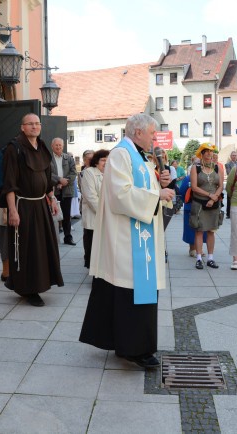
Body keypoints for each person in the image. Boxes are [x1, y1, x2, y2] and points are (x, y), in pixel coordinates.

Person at [79, 113, 175, 369]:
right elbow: (121, 194)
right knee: (129, 290)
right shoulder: (122, 154)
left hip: (139, 234)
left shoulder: (139, 155)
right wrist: (157, 196)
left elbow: (138, 186)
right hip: (127, 237)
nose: (155, 137)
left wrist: (158, 184)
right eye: (153, 132)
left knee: (135, 290)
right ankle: (134, 349)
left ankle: (130, 344)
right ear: (138, 132)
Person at [3, 113, 64, 306]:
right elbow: (9, 184)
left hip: (41, 205)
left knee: (42, 247)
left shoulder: (43, 147)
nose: (34, 127)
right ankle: (27, 289)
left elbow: (47, 178)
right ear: (22, 127)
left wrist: (52, 199)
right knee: (26, 248)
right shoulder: (14, 149)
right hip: (23, 206)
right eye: (30, 124)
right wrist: (12, 211)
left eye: (37, 123)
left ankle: (41, 283)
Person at [189, 143, 224, 269]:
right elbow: (194, 187)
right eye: (207, 151)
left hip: (214, 204)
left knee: (211, 231)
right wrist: (210, 195)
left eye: (211, 151)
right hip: (199, 203)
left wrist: (215, 197)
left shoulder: (217, 168)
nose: (210, 153)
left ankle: (210, 258)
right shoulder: (196, 168)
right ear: (202, 154)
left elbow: (220, 185)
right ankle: (198, 258)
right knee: (199, 231)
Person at [80, 149, 109, 268]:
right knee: (92, 245)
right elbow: (91, 197)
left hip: (108, 216)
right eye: (103, 160)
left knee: (104, 247)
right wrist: (105, 213)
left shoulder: (111, 173)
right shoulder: (89, 173)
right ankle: (92, 272)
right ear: (96, 162)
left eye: (108, 160)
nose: (106, 163)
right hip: (95, 216)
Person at [50, 137, 78, 245]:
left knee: (66, 215)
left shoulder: (68, 158)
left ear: (63, 146)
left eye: (60, 145)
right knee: (53, 215)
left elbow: (73, 172)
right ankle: (53, 238)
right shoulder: (48, 158)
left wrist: (63, 182)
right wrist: (58, 180)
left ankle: (68, 237)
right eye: (56, 145)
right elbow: (47, 174)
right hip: (53, 190)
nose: (58, 147)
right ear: (52, 146)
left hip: (66, 190)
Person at [179, 175, 207, 257]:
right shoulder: (188, 178)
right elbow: (182, 191)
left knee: (202, 228)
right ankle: (192, 249)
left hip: (203, 206)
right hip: (191, 206)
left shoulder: (206, 176)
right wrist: (186, 201)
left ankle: (200, 249)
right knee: (190, 229)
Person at [224, 151, 237, 218]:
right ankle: (228, 214)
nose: (234, 156)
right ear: (230, 156)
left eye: (235, 155)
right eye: (233, 155)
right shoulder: (227, 164)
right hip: (231, 184)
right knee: (229, 199)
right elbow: (229, 173)